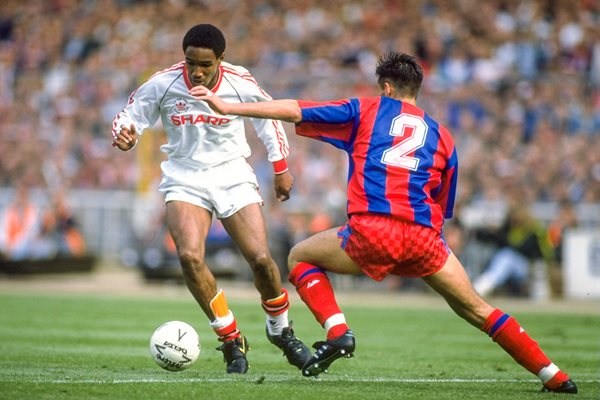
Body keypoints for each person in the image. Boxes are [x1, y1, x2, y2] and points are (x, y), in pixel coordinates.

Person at [190, 52, 577, 393]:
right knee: (477, 308)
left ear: (387, 87)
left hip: (373, 230)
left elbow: (294, 109)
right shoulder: (443, 136)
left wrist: (230, 107)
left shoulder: (368, 109)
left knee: (300, 257)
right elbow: (443, 206)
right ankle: (554, 375)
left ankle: (338, 332)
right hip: (425, 238)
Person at [111, 24, 311, 374]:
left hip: (232, 174)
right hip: (184, 175)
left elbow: (271, 119)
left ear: (221, 58)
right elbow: (130, 116)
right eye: (191, 63)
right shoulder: (163, 82)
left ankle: (281, 330)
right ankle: (231, 339)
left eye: (206, 64)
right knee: (189, 256)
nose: (197, 71)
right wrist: (125, 133)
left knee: (262, 259)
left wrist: (280, 167)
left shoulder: (240, 80)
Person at [472, 203, 556, 298]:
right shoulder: (509, 227)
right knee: (504, 256)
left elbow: (532, 250)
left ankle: (479, 288)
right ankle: (482, 287)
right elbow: (495, 239)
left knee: (507, 256)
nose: (515, 219)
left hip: (530, 267)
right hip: (513, 268)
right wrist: (491, 231)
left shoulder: (534, 230)